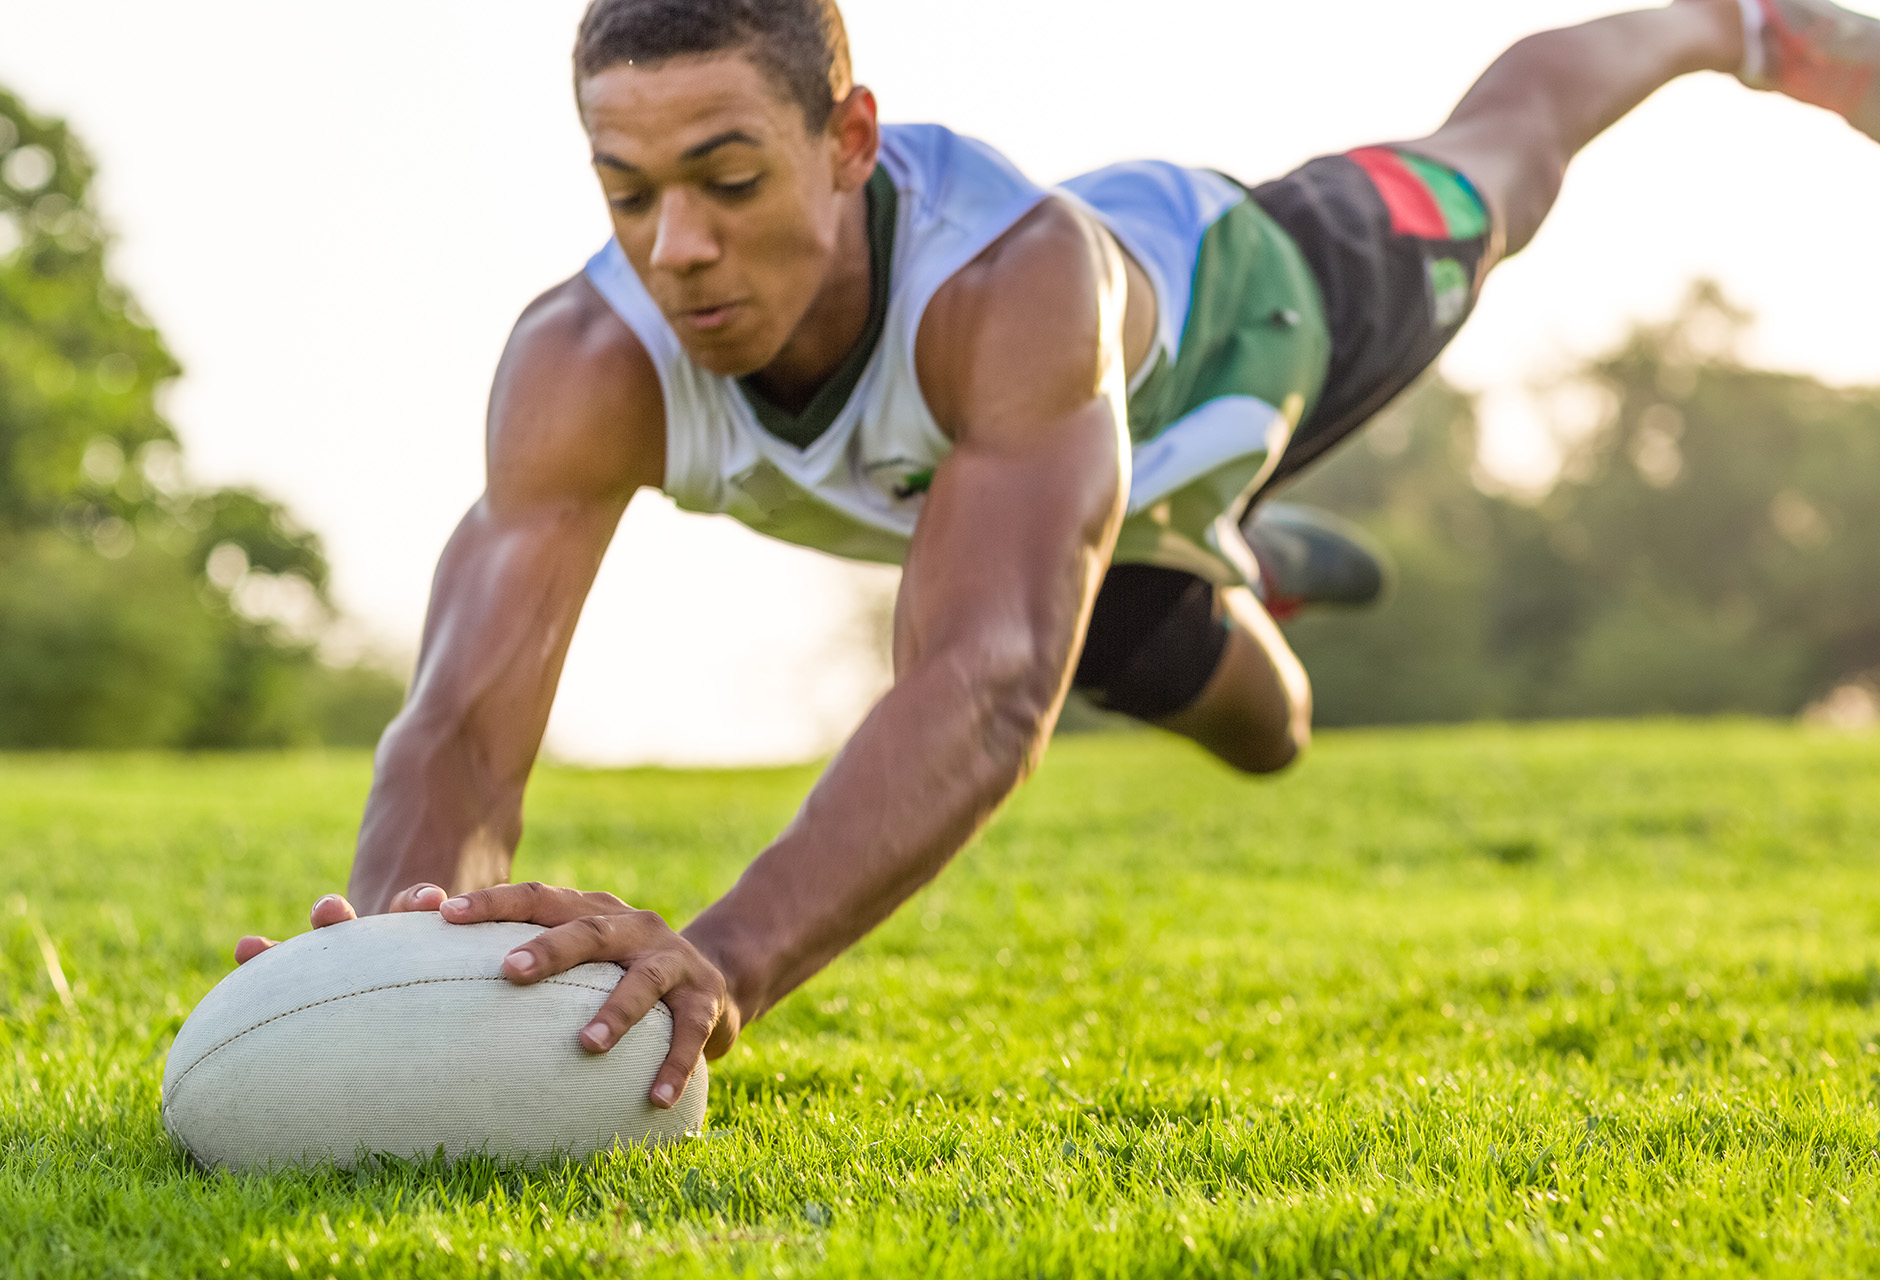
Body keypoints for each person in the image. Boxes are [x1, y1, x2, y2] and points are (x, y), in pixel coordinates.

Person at [238, 0, 1880, 1109]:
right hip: (1020, 502)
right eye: (629, 190)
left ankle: (1719, 24)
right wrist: (399, 960)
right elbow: (462, 713)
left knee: (1499, 167)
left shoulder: (1008, 284)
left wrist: (718, 966)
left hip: (1239, 327)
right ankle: (1238, 571)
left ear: (849, 138)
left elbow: (983, 683)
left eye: (729, 179)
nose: (680, 247)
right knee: (1267, 729)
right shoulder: (580, 363)